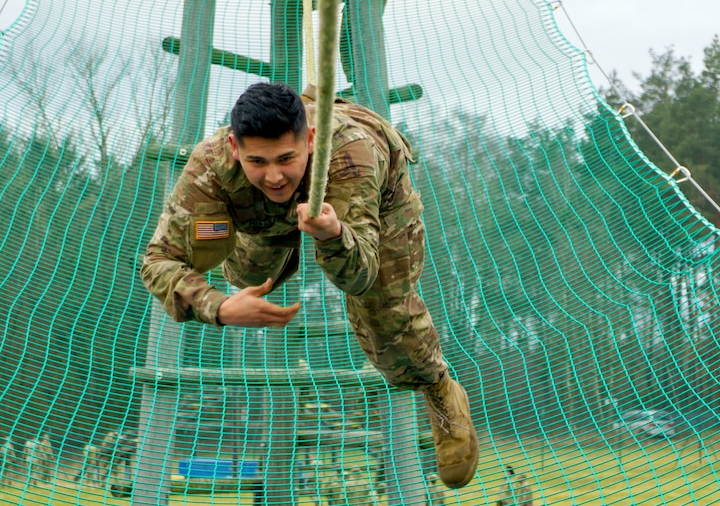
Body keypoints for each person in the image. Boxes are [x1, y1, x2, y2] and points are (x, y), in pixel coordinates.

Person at [141, 81, 478, 488]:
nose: (274, 175)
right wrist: (220, 306)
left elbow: (361, 273)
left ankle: (438, 388)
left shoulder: (353, 155)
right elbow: (157, 261)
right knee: (244, 272)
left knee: (380, 310)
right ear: (233, 148)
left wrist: (333, 235)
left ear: (310, 140)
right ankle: (276, 231)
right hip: (267, 219)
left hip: (373, 209)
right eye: (257, 162)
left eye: (286, 157)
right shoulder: (211, 164)